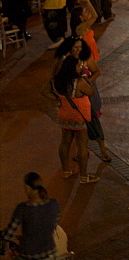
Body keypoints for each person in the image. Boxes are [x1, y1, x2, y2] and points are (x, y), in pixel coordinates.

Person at [52, 54, 97, 183]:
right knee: (82, 145)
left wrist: (56, 100)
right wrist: (84, 75)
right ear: (72, 68)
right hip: (79, 117)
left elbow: (44, 92)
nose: (81, 66)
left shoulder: (56, 80)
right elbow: (91, 91)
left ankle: (66, 171)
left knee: (65, 142)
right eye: (79, 65)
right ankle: (84, 176)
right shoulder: (79, 82)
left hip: (64, 116)